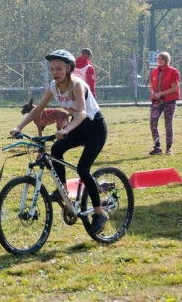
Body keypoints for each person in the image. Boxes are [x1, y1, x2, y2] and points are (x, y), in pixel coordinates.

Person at [10, 49, 109, 234]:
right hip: (77, 127)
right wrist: (19, 127)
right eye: (52, 69)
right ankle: (63, 193)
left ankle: (99, 213)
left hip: (95, 128)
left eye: (59, 68)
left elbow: (81, 113)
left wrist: (66, 129)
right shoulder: (53, 87)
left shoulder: (76, 85)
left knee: (82, 169)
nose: (55, 72)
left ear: (69, 69)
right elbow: (37, 109)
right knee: (56, 150)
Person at [148, 51, 180, 156]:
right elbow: (151, 86)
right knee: (153, 122)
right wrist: (153, 93)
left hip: (169, 101)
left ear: (167, 60)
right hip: (157, 100)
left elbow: (174, 88)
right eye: (158, 59)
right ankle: (157, 147)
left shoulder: (173, 71)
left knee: (168, 124)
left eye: (162, 59)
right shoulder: (154, 72)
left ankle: (169, 148)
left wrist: (161, 93)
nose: (160, 61)